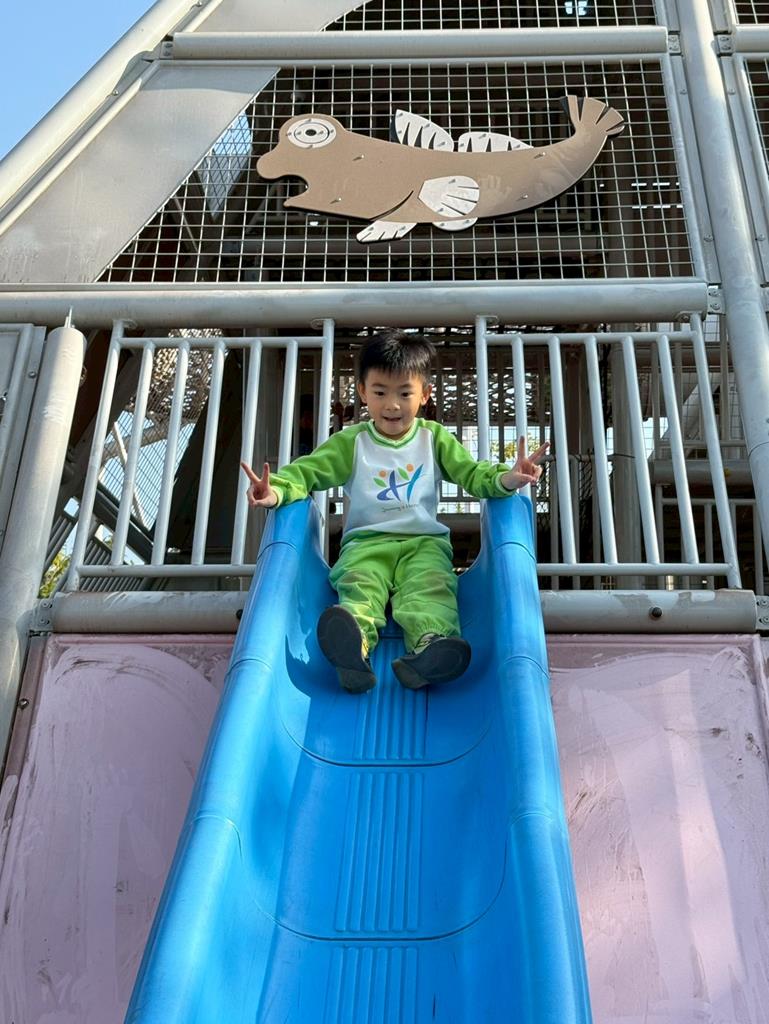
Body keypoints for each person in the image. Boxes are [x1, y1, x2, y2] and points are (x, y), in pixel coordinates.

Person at [241, 330, 548, 694]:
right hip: (366, 543)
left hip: (424, 543)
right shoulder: (352, 442)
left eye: (404, 393)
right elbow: (308, 472)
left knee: (430, 587)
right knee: (360, 584)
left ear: (425, 394)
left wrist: (508, 478)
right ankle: (352, 646)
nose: (392, 405)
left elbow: (472, 473)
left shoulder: (433, 438)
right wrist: (274, 490)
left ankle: (430, 649)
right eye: (380, 392)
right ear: (362, 392)